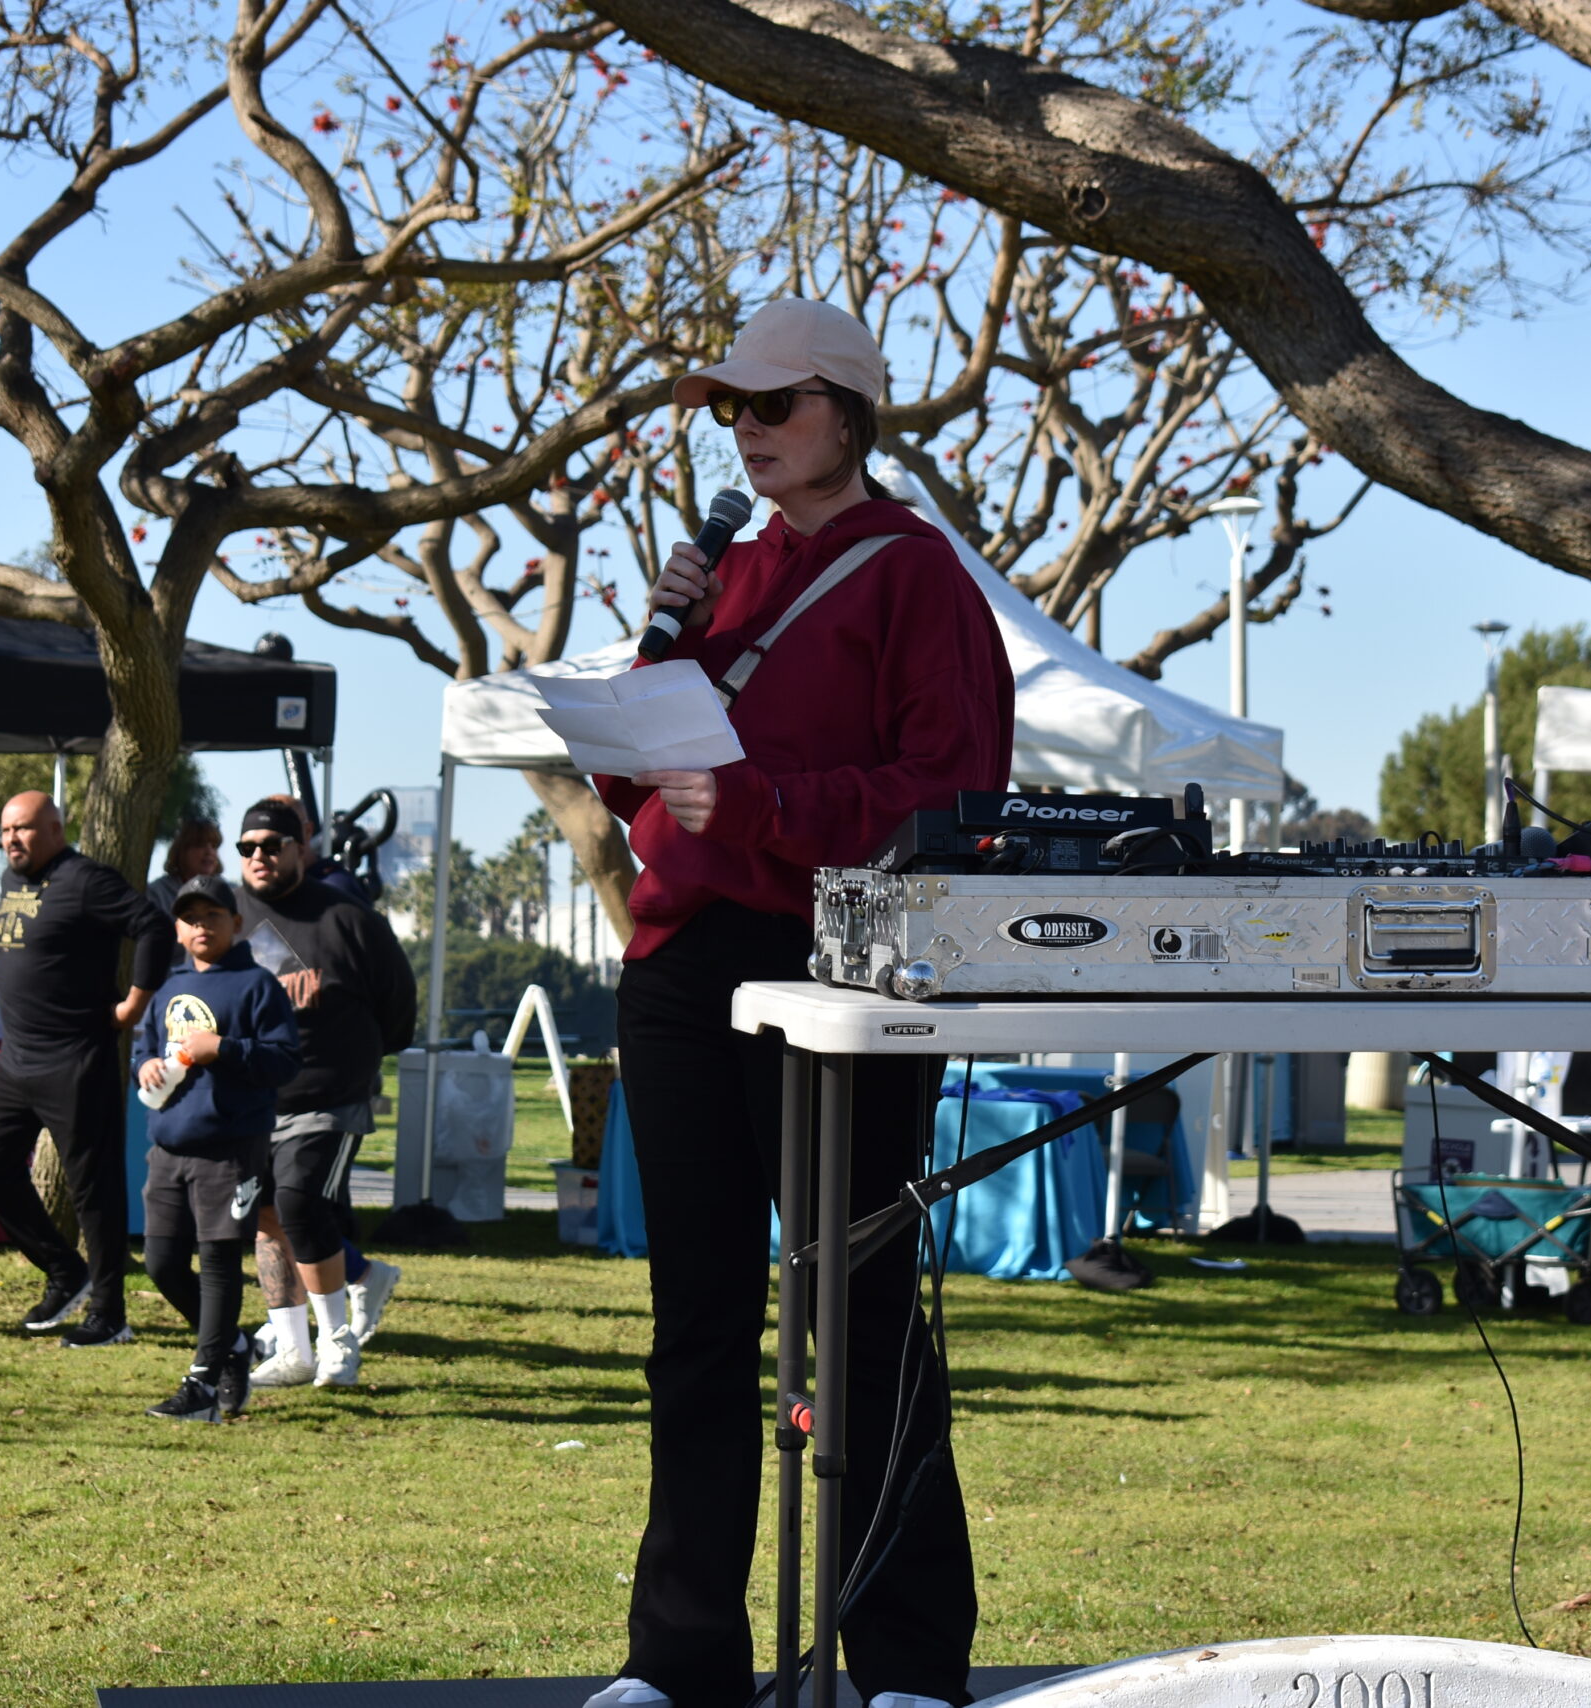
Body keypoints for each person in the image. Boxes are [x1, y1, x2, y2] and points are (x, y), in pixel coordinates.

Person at [586, 297, 1012, 1708]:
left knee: (862, 1309)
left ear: (850, 412)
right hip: (680, 960)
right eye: (732, 409)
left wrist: (765, 804)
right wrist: (659, 653)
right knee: (695, 1320)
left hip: (839, 960)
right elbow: (639, 775)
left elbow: (949, 796)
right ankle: (679, 1658)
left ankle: (908, 1663)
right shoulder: (726, 570)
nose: (746, 431)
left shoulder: (915, 574)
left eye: (773, 404)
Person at [0, 792, 175, 1348]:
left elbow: (153, 926)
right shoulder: (11, 881)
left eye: (24, 829)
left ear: (55, 830)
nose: (12, 839)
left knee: (93, 1189)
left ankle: (109, 1314)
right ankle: (64, 1270)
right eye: (5, 830)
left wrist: (133, 1006)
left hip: (76, 1059)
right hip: (15, 1060)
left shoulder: (85, 880)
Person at [231, 800, 417, 1387]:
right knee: (264, 1215)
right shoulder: (228, 917)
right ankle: (292, 1348)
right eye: (247, 847)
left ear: (301, 849)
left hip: (328, 1096)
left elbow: (398, 1006)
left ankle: (336, 1342)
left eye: (271, 845)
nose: (259, 856)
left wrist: (354, 1063)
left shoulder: (347, 917)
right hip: (253, 1100)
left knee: (300, 1203)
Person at [133, 874, 300, 1423]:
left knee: (219, 1260)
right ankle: (232, 1345)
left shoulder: (258, 985)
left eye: (213, 916)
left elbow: (284, 1061)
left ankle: (203, 1383)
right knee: (161, 1262)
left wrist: (223, 1048)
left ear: (236, 923)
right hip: (169, 1145)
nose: (201, 926)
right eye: (191, 918)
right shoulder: (170, 985)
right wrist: (145, 1064)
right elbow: (144, 1048)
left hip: (231, 1149)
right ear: (178, 929)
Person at [148, 819, 225, 917]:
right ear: (182, 851)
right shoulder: (157, 893)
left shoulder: (230, 892)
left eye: (214, 846)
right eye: (200, 845)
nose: (209, 852)